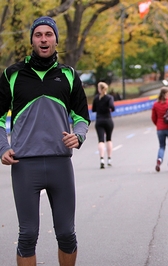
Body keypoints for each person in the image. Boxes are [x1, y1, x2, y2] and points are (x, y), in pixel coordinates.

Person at [0, 16, 90, 266]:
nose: (43, 39)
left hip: (60, 163)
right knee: (27, 235)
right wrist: (2, 147)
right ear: (31, 40)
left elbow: (81, 115)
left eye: (48, 34)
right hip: (24, 165)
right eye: (38, 34)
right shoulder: (12, 74)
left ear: (56, 40)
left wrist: (79, 135)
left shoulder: (69, 75)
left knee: (66, 234)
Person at [151, 87, 168, 172]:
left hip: (160, 129)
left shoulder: (155, 104)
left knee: (161, 146)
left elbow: (153, 117)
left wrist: (158, 124)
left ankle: (159, 159)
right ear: (165, 94)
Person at [92, 81, 115, 169]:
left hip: (99, 120)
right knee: (109, 139)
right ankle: (109, 159)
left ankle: (101, 158)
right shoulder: (109, 97)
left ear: (99, 89)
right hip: (108, 120)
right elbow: (112, 107)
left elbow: (93, 109)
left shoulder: (96, 98)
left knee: (101, 140)